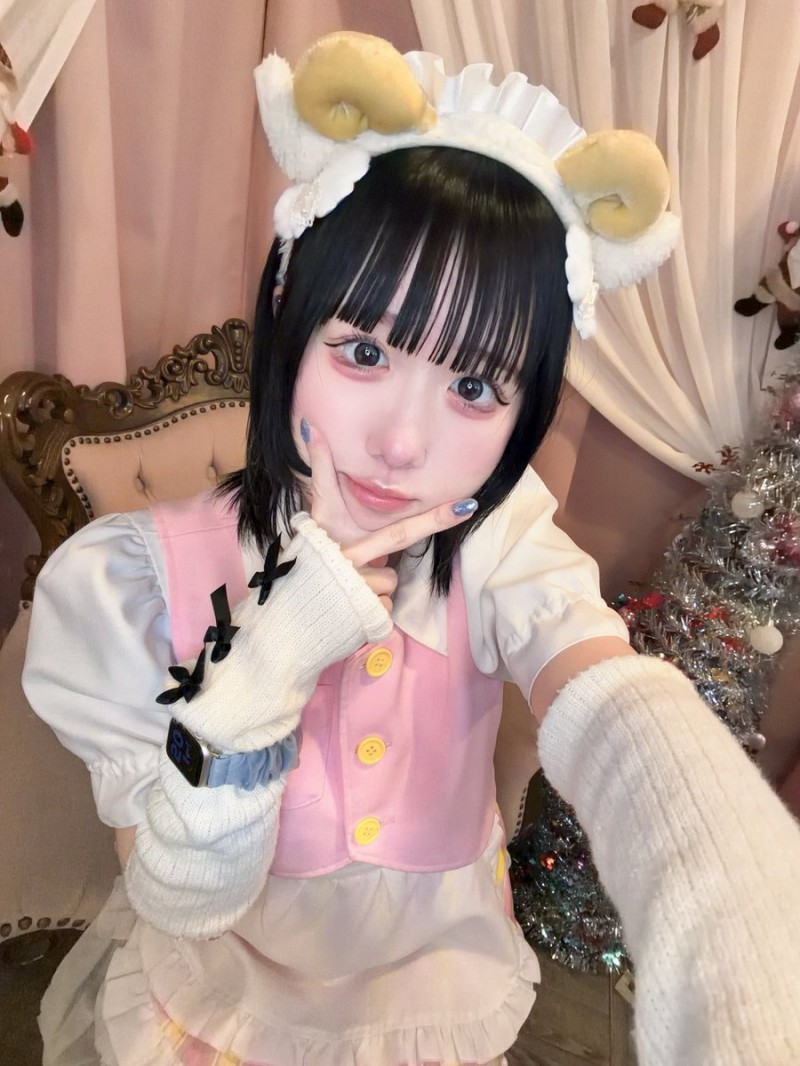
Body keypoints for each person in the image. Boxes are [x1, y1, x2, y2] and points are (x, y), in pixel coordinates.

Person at [22, 31, 800, 1066]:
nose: (401, 443)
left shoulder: (498, 541)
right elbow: (183, 900)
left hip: (438, 994)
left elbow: (599, 684)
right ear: (288, 320)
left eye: (474, 385)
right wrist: (263, 668)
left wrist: (729, 892)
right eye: (362, 350)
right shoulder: (131, 582)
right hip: (225, 1006)